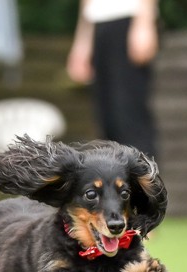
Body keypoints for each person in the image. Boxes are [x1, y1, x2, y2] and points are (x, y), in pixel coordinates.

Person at [66, 0, 159, 160]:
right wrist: (83, 42)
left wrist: (145, 20)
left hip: (128, 21)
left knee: (128, 117)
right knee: (108, 122)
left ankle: (144, 182)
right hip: (98, 24)